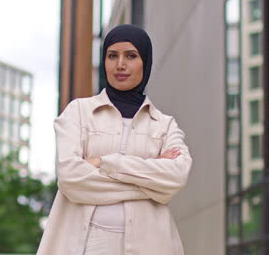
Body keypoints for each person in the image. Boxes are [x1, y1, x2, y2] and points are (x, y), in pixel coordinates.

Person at [37, 24, 193, 255]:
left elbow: (176, 176)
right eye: (112, 56)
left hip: (150, 246)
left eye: (131, 55)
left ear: (146, 62)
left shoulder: (164, 124)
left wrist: (103, 162)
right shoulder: (78, 112)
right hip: (86, 245)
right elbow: (71, 178)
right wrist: (151, 183)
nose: (120, 64)